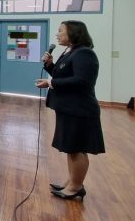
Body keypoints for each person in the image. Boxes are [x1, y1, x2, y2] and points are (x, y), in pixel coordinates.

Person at [37, 21, 104, 201]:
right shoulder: (70, 52)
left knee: (77, 148)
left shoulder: (84, 54)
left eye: (60, 31)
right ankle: (73, 182)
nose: (57, 35)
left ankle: (76, 187)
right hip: (68, 108)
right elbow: (63, 76)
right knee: (71, 147)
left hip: (80, 109)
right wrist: (50, 65)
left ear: (73, 33)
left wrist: (51, 83)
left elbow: (82, 81)